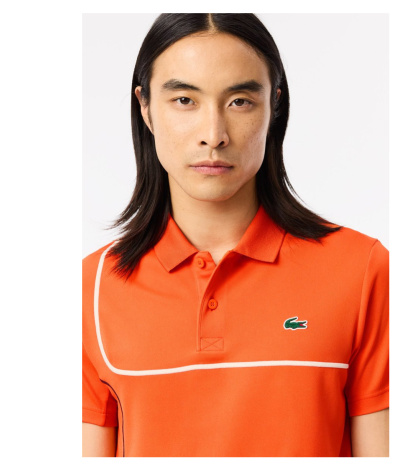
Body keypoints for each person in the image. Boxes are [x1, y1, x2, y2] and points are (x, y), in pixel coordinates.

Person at [82, 13, 389, 457]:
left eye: (240, 101)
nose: (214, 135)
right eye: (184, 100)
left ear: (274, 105)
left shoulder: (362, 270)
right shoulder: (91, 289)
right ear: (145, 107)